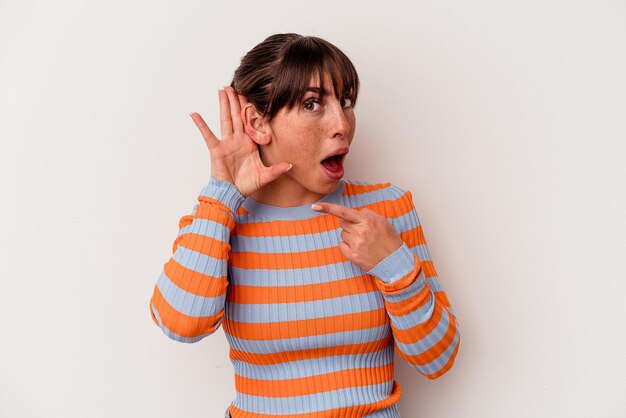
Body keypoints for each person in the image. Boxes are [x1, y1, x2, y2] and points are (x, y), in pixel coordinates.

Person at [149, 33, 460, 418]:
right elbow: (182, 324)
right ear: (257, 124)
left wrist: (395, 265)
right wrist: (222, 194)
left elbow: (437, 358)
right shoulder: (218, 221)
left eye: (345, 102)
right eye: (313, 104)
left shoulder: (386, 209)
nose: (341, 124)